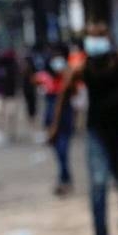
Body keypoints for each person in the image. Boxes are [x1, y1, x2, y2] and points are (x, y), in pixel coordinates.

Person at [49, 23, 118, 235]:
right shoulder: (81, 67)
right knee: (98, 184)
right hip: (97, 131)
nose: (95, 42)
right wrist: (56, 127)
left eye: (99, 37)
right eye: (91, 38)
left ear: (107, 38)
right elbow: (63, 95)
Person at [37, 46, 74, 196]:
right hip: (52, 116)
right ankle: (64, 178)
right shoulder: (46, 76)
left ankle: (64, 179)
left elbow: (67, 97)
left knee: (63, 150)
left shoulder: (69, 74)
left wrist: (54, 125)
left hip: (63, 117)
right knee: (59, 151)